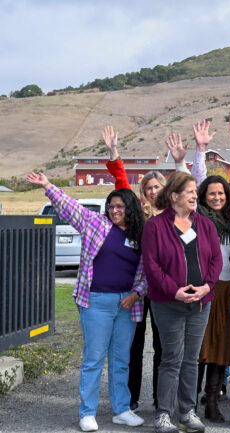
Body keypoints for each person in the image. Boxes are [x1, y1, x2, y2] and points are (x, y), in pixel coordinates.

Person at [28, 172, 147, 432]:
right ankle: (87, 412)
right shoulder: (96, 223)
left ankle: (122, 410)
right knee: (93, 358)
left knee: (121, 360)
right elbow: (69, 206)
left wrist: (136, 293)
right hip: (96, 302)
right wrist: (48, 185)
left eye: (120, 206)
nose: (114, 210)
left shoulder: (142, 235)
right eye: (111, 206)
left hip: (127, 305)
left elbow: (146, 272)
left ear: (131, 209)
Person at [142, 172, 223, 433]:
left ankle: (187, 412)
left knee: (191, 359)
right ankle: (164, 414)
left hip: (200, 303)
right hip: (168, 303)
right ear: (174, 195)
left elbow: (216, 261)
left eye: (194, 192)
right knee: (171, 359)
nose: (194, 196)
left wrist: (207, 286)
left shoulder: (206, 225)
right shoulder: (155, 226)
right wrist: (174, 291)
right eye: (189, 191)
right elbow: (152, 267)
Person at [100, 126, 165, 411]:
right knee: (133, 344)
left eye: (157, 187)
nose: (152, 191)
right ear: (143, 193)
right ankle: (130, 398)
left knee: (163, 345)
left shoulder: (176, 215)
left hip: (163, 288)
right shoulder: (137, 214)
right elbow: (122, 184)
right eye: (148, 188)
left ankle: (163, 398)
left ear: (165, 189)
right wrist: (115, 154)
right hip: (137, 288)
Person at [194, 175, 230, 422]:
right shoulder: (197, 220)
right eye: (211, 193)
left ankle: (212, 402)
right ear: (203, 196)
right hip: (204, 290)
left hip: (228, 291)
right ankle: (190, 402)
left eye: (221, 193)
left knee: (221, 348)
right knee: (199, 348)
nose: (216, 197)